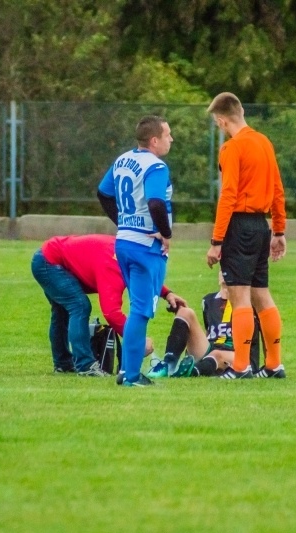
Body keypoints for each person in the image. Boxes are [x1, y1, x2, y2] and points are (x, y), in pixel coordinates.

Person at [205, 92, 287, 379]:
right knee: (261, 295)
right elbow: (277, 189)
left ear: (221, 119)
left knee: (239, 298)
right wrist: (278, 230)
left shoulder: (231, 148)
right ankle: (274, 364)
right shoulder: (264, 142)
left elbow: (227, 195)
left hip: (239, 228)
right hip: (261, 226)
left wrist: (216, 241)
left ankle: (241, 367)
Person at [31, 233, 185, 375]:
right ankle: (85, 366)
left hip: (52, 257)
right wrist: (137, 339)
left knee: (63, 311)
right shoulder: (112, 267)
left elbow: (142, 274)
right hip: (49, 261)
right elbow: (111, 313)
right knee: (79, 306)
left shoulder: (127, 253)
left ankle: (63, 364)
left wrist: (167, 293)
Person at [97, 115, 174, 387]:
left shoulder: (122, 160)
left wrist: (123, 222)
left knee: (137, 308)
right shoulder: (156, 166)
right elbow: (155, 203)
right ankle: (130, 375)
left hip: (124, 243)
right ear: (154, 140)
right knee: (141, 310)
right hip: (145, 246)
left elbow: (103, 193)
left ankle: (127, 371)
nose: (171, 139)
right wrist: (166, 233)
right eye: (167, 135)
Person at [152, 269, 262, 378]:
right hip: (211, 350)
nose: (225, 273)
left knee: (217, 354)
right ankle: (168, 365)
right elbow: (209, 330)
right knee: (186, 312)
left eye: (229, 269)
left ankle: (191, 372)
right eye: (222, 269)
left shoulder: (249, 302)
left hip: (240, 356)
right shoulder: (208, 301)